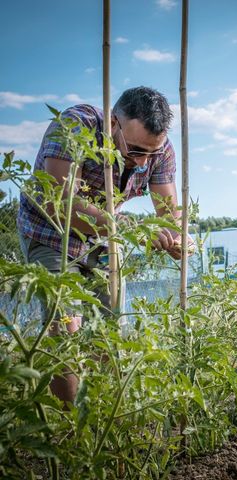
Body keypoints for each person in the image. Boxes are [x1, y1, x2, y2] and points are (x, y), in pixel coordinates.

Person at [17, 86, 190, 404]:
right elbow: (62, 205)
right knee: (64, 325)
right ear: (112, 123)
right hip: (50, 231)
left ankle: (100, 411)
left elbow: (169, 214)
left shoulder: (158, 150)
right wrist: (134, 230)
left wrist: (175, 238)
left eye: (151, 153)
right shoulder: (73, 126)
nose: (141, 162)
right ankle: (73, 429)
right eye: (135, 149)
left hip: (105, 236)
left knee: (109, 329)